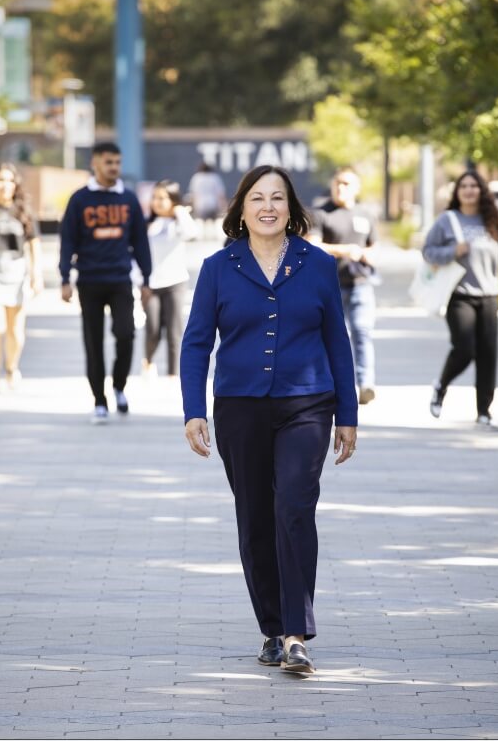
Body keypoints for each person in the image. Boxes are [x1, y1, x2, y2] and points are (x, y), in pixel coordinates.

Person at [180, 165, 358, 676]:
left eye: (278, 198)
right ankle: (272, 629)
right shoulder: (219, 267)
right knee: (255, 516)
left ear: (291, 207)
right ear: (241, 208)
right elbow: (196, 343)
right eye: (257, 197)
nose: (268, 206)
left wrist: (347, 413)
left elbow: (337, 344)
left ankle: (297, 634)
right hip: (239, 407)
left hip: (307, 403)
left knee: (294, 508)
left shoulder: (318, 265)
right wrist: (194, 410)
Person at [423, 170, 498, 429]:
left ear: (482, 191)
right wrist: (452, 251)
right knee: (465, 348)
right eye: (464, 186)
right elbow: (428, 252)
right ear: (457, 192)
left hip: (489, 296)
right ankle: (441, 386)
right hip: (460, 297)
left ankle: (484, 411)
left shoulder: (494, 222)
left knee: (487, 355)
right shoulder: (447, 221)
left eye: (474, 186)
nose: (469, 190)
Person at [59, 142, 152, 424]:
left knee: (126, 334)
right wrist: (65, 278)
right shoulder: (80, 200)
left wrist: (147, 279)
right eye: (109, 162)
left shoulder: (128, 199)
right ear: (95, 163)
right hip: (89, 281)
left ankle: (119, 387)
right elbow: (68, 241)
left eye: (117, 163)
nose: (114, 168)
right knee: (93, 342)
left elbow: (140, 241)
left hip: (120, 279)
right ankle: (99, 400)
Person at [307, 166, 378, 405]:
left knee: (362, 331)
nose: (341, 188)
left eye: (347, 184)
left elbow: (373, 247)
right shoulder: (320, 213)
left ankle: (366, 383)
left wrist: (367, 255)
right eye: (338, 183)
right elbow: (313, 245)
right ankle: (332, 384)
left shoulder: (366, 214)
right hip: (330, 286)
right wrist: (345, 251)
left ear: (356, 188)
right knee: (334, 337)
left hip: (361, 283)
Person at [143, 180, 197, 379]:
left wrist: (180, 212)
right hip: (151, 285)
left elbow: (191, 233)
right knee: (153, 330)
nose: (157, 202)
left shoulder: (178, 223)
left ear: (173, 200)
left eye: (163, 198)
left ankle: (173, 376)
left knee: (174, 333)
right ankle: (148, 361)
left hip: (175, 283)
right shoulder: (147, 224)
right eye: (154, 197)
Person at [0, 163, 43, 390]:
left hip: (16, 274)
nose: (4, 186)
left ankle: (11, 367)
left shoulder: (23, 211)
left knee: (15, 330)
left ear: (15, 184)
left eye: (8, 180)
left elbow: (34, 244)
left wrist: (37, 274)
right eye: (0, 180)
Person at [186, 160, 226, 239]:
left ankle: (202, 237)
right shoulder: (214, 177)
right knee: (214, 222)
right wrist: (223, 205)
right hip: (213, 203)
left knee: (201, 222)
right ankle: (214, 237)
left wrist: (193, 205)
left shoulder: (196, 177)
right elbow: (220, 194)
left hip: (200, 204)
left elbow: (194, 194)